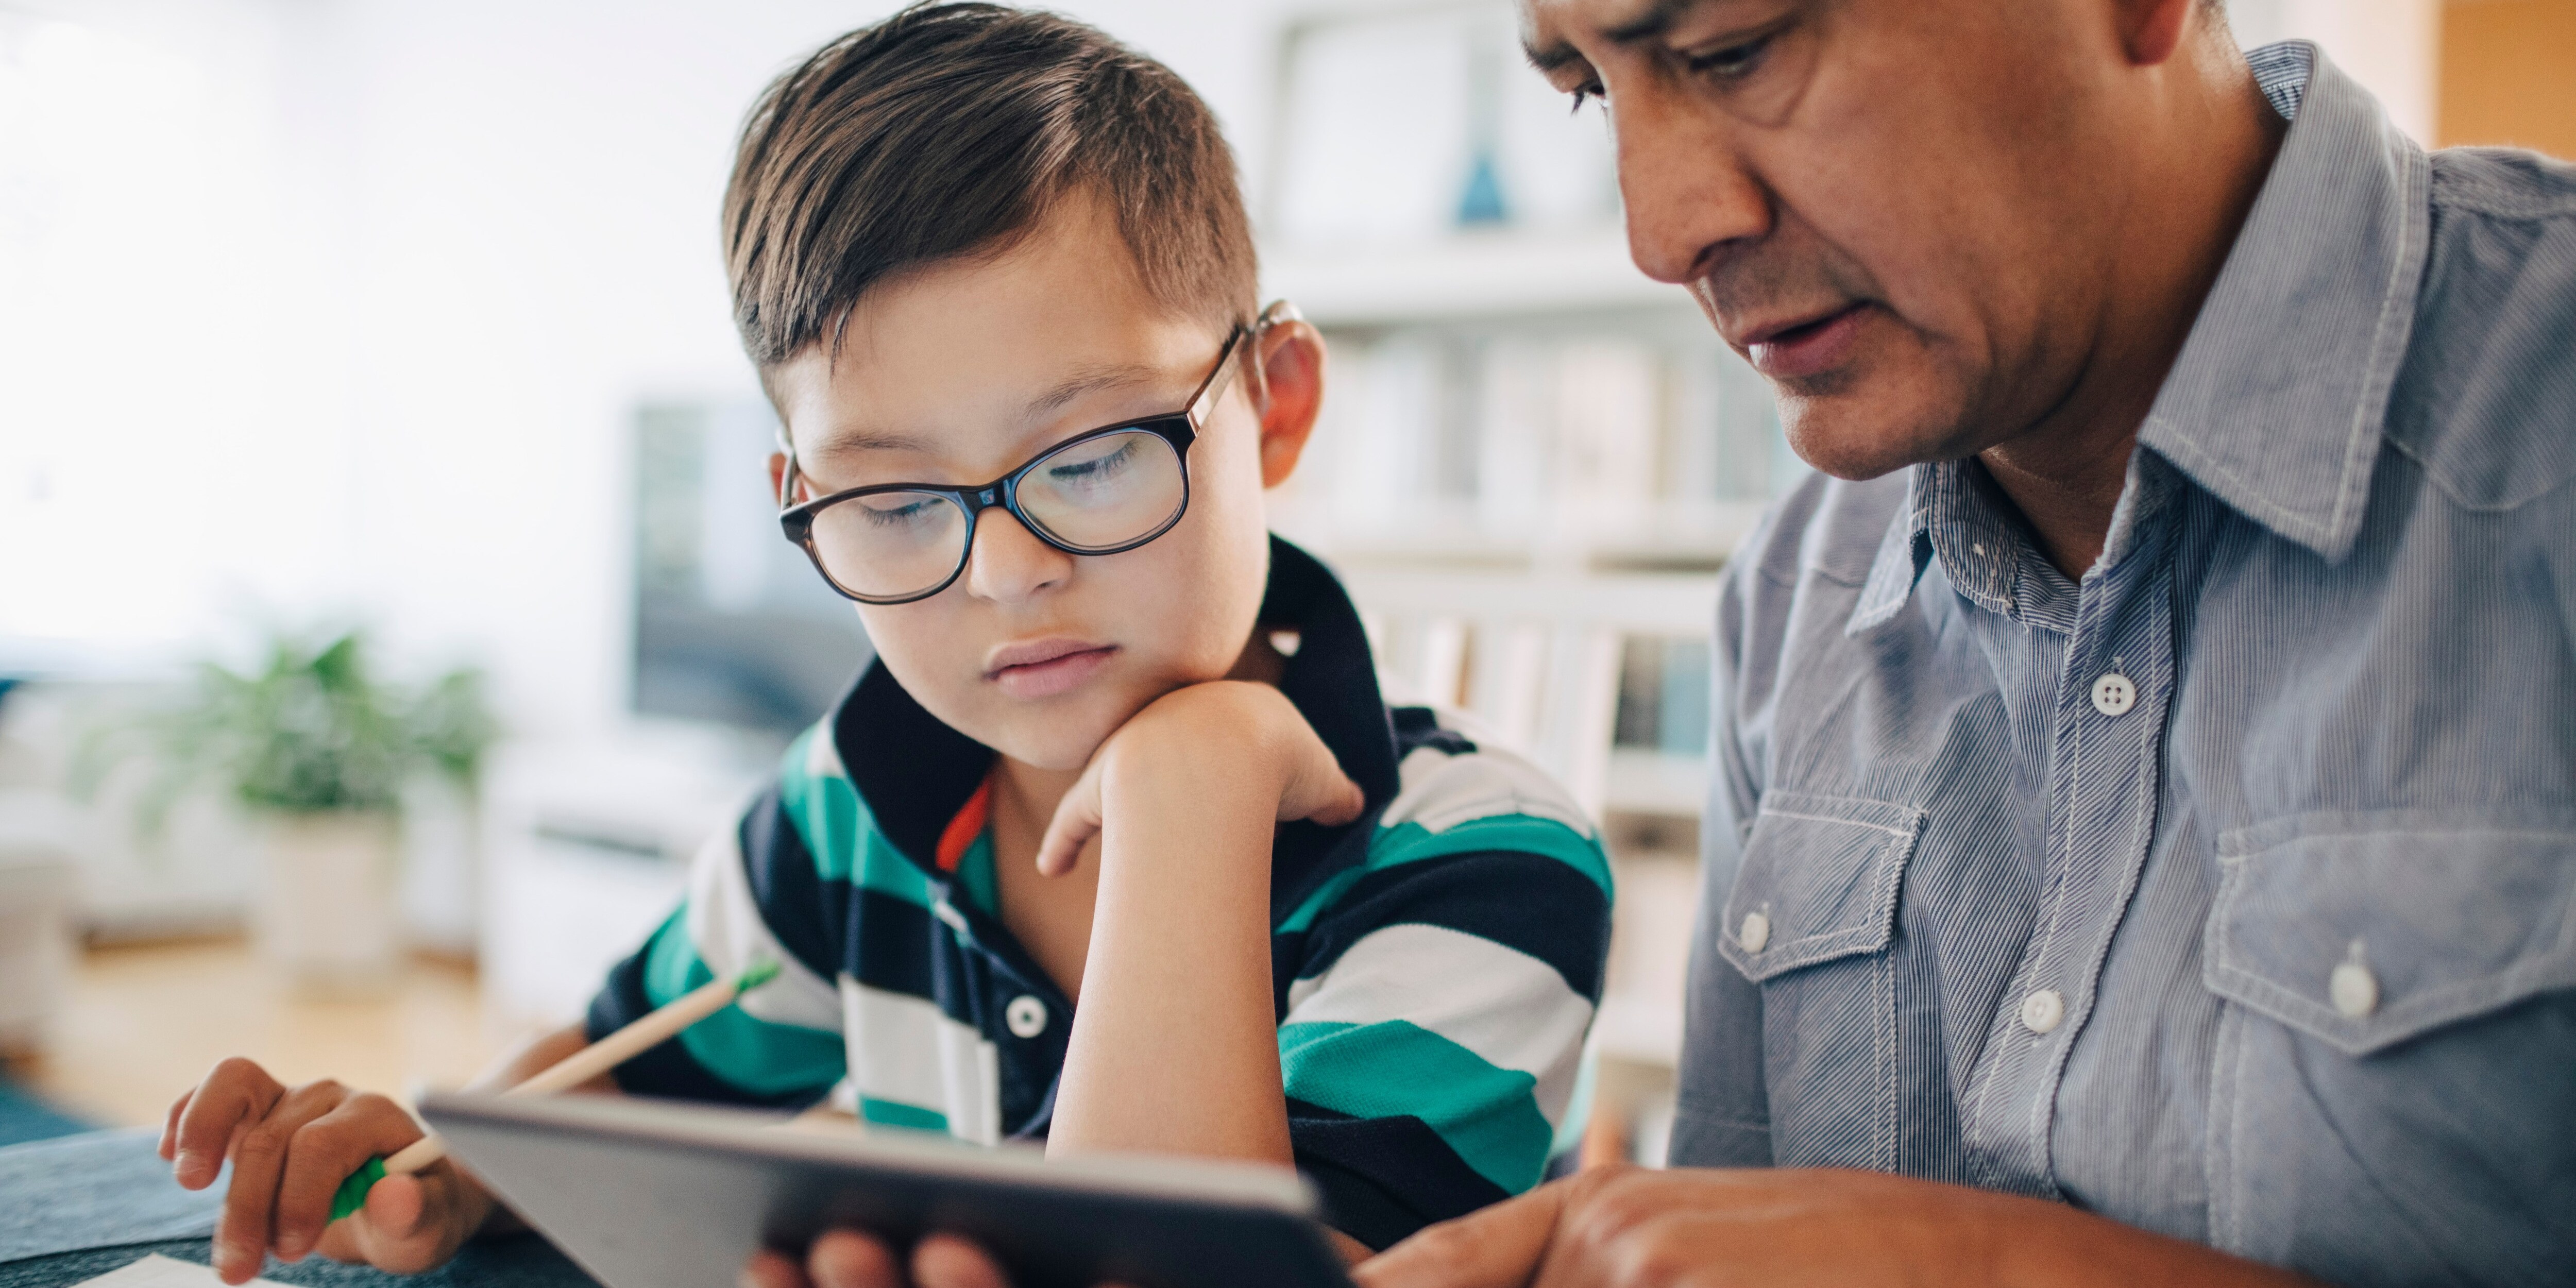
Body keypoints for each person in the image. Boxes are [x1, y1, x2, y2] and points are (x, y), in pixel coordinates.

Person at [765, 0, 2576, 1284]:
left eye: (1733, 47)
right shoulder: (1801, 597)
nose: (1660, 227)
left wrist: (1994, 1269)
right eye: (1584, 88)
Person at [151, 6, 1616, 1283]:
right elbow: (627, 1075)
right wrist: (451, 1173)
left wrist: (1192, 792)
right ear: (800, 502)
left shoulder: (1484, 865)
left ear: (1275, 405)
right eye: (898, 503)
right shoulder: (851, 806)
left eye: (1094, 456)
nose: (1011, 573)